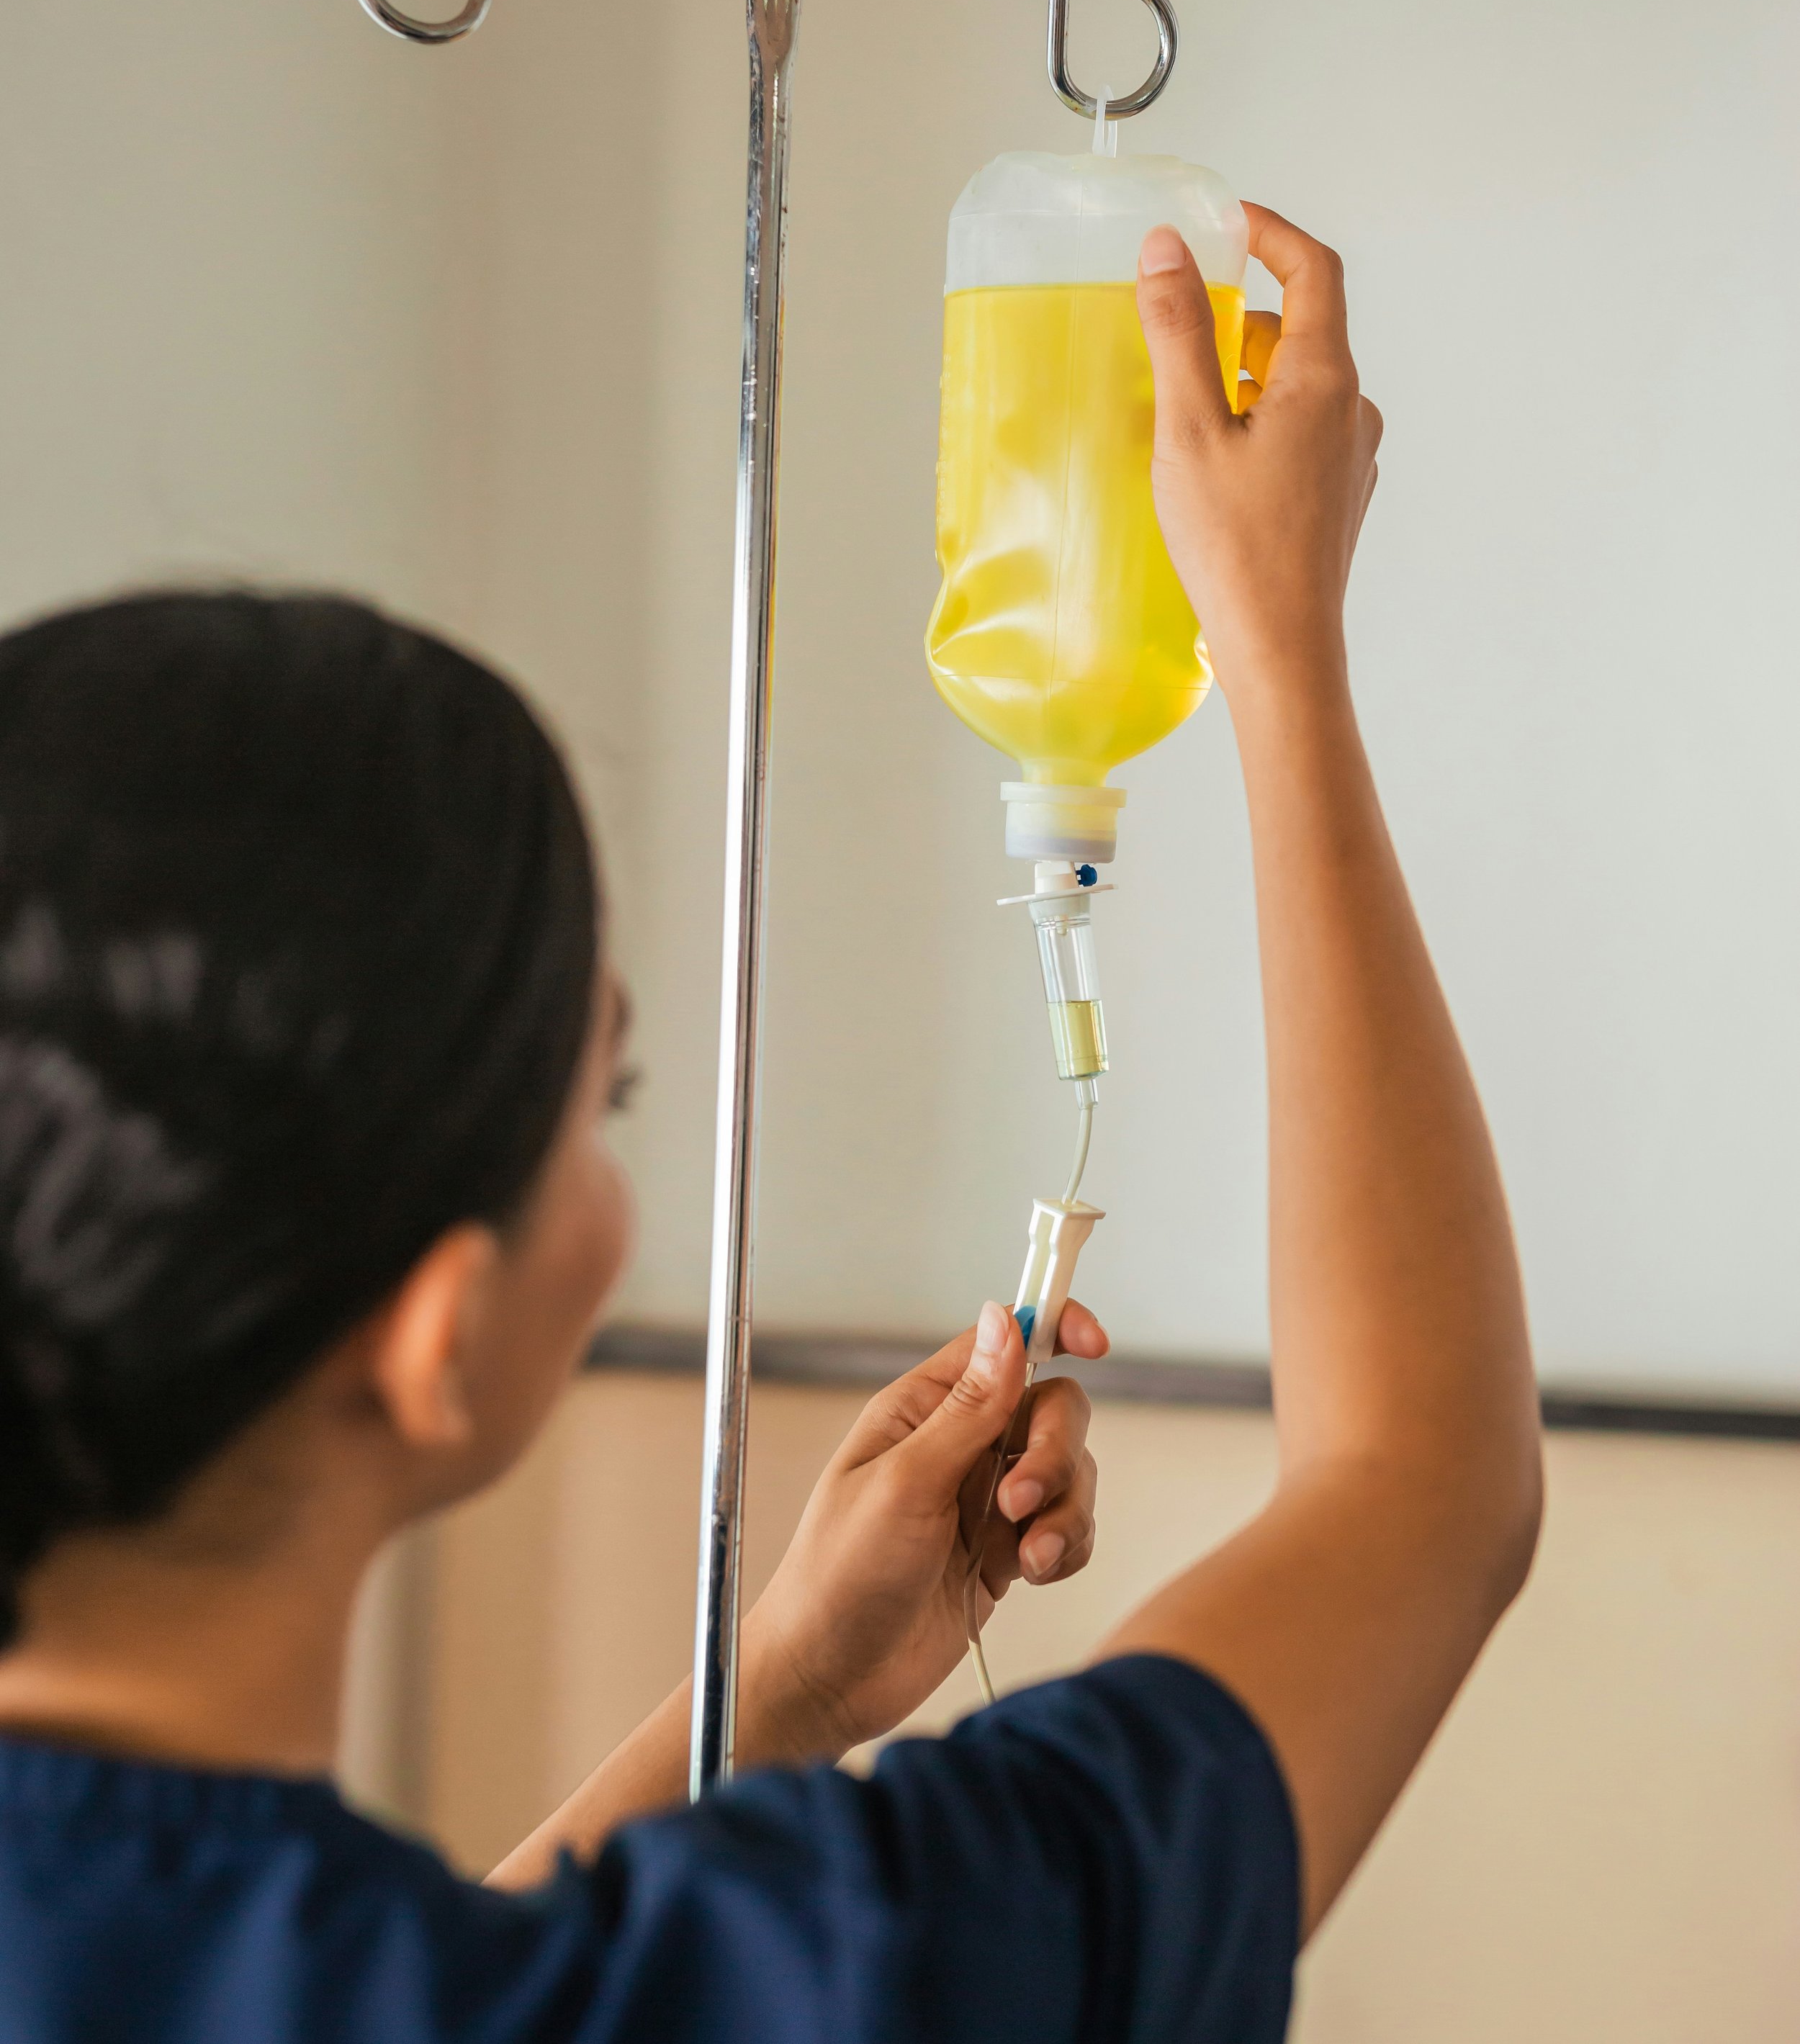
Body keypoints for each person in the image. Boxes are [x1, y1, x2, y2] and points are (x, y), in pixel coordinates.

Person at [0, 209, 1541, 2043]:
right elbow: (1418, 1497)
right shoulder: (828, 1973)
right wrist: (1280, 656)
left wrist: (788, 1686)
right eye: (603, 1103)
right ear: (435, 1339)